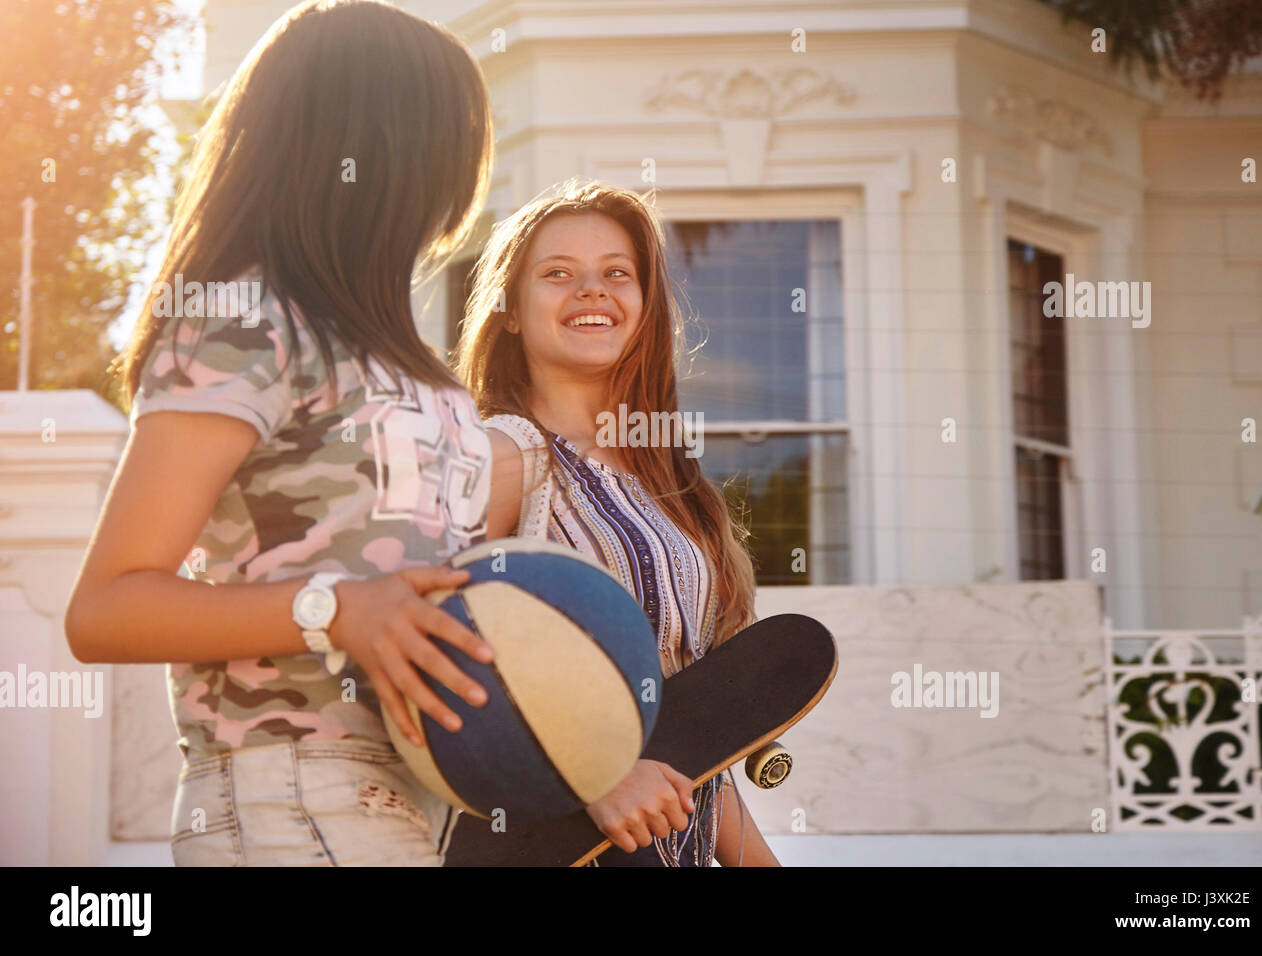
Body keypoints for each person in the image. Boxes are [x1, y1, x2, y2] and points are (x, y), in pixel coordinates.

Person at [64, 0, 496, 866]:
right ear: (381, 150)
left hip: (424, 794)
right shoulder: (244, 319)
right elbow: (105, 609)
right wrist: (332, 610)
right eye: (448, 146)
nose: (454, 186)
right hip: (287, 794)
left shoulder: (416, 370)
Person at [453, 179, 781, 866]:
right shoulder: (503, 454)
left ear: (643, 306)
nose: (592, 291)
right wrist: (595, 771)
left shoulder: (677, 491)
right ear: (509, 311)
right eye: (558, 274)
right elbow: (446, 662)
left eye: (616, 274)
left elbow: (693, 749)